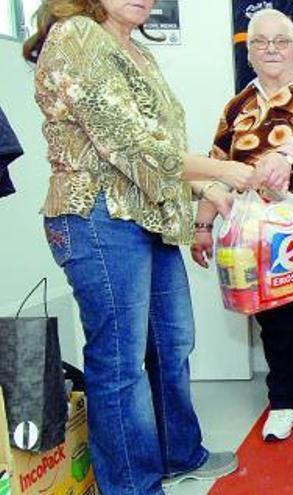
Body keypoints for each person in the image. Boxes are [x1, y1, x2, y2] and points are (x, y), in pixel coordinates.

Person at [23, 0, 260, 493]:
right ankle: (133, 485)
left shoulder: (137, 52)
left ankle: (177, 454)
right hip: (97, 218)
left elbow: (159, 153)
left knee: (172, 344)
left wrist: (206, 191)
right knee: (120, 364)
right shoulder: (76, 36)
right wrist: (221, 171)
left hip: (148, 217)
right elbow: (132, 148)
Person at [190, 9, 293, 443]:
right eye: (260, 42)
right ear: (248, 54)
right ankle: (284, 401)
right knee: (277, 324)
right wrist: (203, 225)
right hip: (260, 242)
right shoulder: (238, 105)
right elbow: (216, 166)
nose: (271, 49)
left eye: (281, 40)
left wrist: (284, 159)